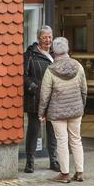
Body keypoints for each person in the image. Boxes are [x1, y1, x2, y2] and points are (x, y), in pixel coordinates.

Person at [38, 37, 88, 183]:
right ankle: (79, 172)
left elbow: (45, 94)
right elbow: (84, 89)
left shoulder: (51, 70)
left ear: (54, 51)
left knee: (62, 141)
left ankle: (65, 174)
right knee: (76, 140)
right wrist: (81, 106)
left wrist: (42, 112)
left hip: (57, 112)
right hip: (76, 110)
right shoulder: (78, 66)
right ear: (67, 49)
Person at [23, 26, 58, 173]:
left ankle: (53, 160)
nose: (48, 40)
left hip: (53, 99)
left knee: (53, 131)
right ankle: (30, 162)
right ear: (39, 38)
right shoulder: (30, 54)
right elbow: (23, 76)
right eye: (44, 37)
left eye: (50, 37)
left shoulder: (56, 55)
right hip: (35, 98)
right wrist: (34, 87)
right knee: (34, 130)